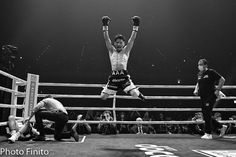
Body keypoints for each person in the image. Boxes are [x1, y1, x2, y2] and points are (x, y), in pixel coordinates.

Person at [100, 16, 145, 101]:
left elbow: (132, 40)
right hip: (113, 78)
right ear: (114, 43)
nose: (119, 44)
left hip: (124, 78)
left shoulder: (126, 51)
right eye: (117, 42)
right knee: (103, 97)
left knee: (135, 94)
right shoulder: (111, 50)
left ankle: (137, 93)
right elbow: (106, 39)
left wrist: (136, 26)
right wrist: (105, 25)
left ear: (124, 43)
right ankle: (114, 89)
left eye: (121, 42)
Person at [193, 59, 227, 139]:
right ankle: (221, 127)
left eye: (201, 64)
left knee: (207, 113)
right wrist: (196, 90)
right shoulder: (200, 73)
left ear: (205, 65)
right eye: (198, 64)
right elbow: (198, 83)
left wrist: (218, 90)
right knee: (205, 114)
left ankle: (208, 133)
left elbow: (222, 79)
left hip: (210, 96)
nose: (199, 66)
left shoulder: (211, 72)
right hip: (203, 96)